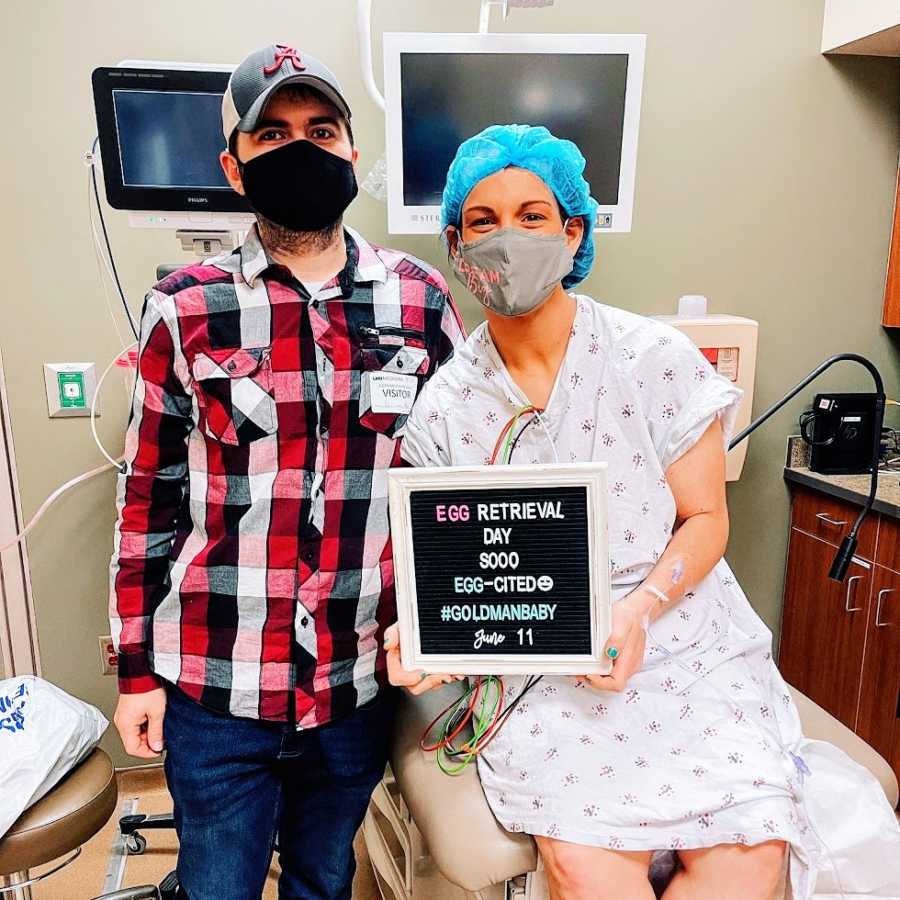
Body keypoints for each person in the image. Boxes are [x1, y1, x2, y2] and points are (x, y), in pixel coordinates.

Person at [386, 124, 900, 899]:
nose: (508, 240)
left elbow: (706, 521)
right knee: (586, 869)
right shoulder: (444, 410)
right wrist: (427, 642)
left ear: (574, 230)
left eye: (532, 216)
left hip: (680, 639)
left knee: (746, 859)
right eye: (483, 223)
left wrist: (639, 607)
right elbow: (460, 578)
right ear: (456, 248)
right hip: (545, 665)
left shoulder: (652, 360)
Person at [109, 43, 464, 900]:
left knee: (321, 881)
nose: (300, 147)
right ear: (235, 167)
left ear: (350, 153)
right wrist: (133, 671)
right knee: (218, 886)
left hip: (356, 681)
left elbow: (452, 491)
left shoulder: (421, 302)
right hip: (215, 683)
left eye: (321, 129)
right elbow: (146, 499)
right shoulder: (186, 309)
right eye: (272, 134)